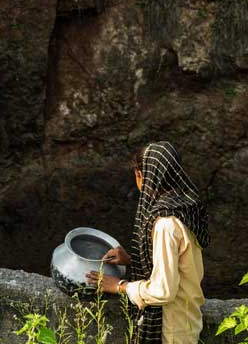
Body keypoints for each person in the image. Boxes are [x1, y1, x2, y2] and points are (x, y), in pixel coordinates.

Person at [86, 141, 210, 344]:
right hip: (187, 318)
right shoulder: (185, 208)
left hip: (171, 330)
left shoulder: (165, 224)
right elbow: (180, 265)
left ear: (141, 175)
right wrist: (133, 261)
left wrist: (119, 286)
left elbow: (163, 291)